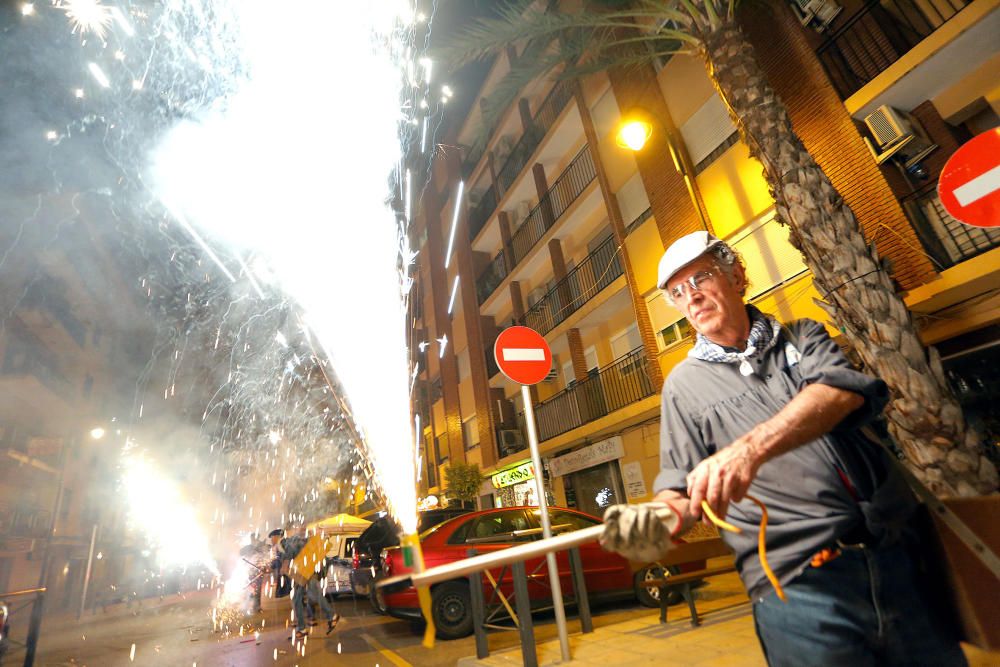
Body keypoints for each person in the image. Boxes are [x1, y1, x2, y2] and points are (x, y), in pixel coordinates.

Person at [600, 231, 966, 666]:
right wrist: (659, 518)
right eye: (678, 292)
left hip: (896, 560)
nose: (691, 297)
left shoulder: (801, 337)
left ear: (736, 274)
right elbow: (680, 490)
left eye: (701, 278)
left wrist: (748, 450)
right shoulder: (682, 386)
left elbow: (840, 393)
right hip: (797, 588)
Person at [269, 528, 340, 640]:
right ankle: (330, 617)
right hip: (307, 569)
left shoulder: (285, 542)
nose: (271, 540)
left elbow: (289, 553)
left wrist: (284, 567)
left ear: (276, 536)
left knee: (299, 599)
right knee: (309, 596)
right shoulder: (295, 539)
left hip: (302, 571)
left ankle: (303, 628)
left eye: (271, 538)